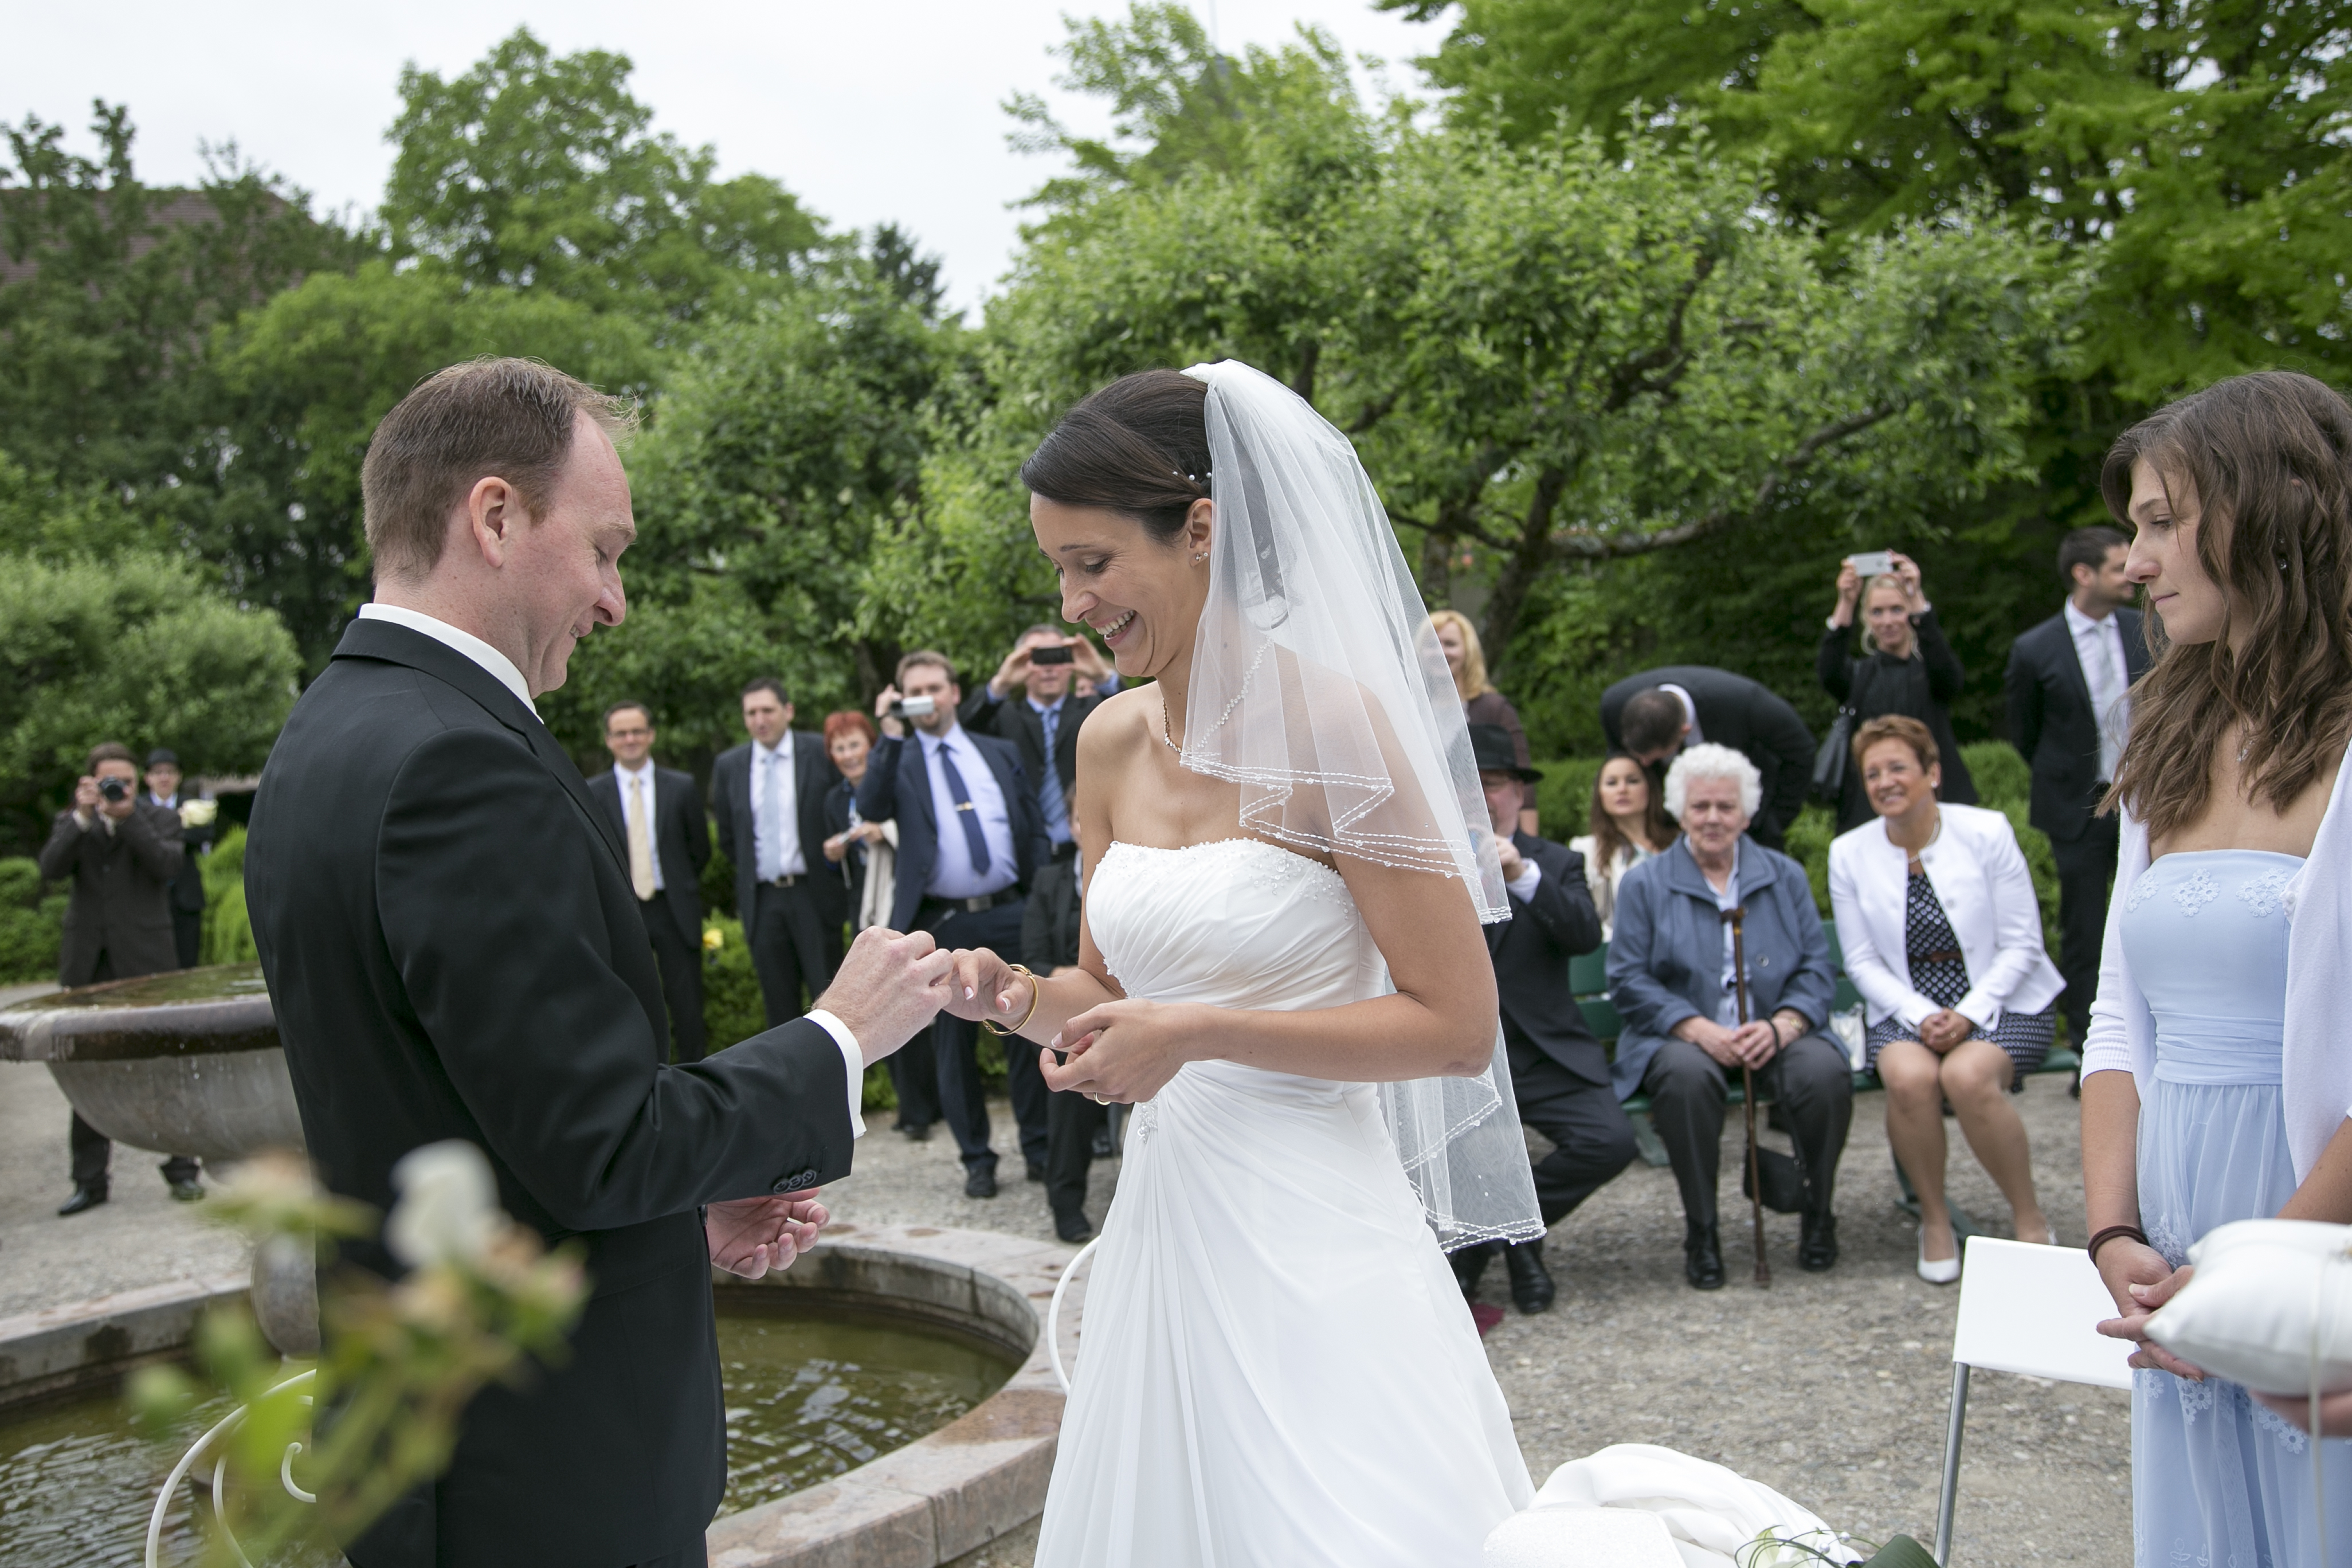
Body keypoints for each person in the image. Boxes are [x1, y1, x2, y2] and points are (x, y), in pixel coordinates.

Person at [242, 358, 954, 1568]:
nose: (616, 601)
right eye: (606, 550)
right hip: (539, 1483)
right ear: (495, 515)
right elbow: (605, 1142)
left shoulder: (327, 732)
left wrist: (677, 1222)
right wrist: (839, 1034)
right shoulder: (460, 766)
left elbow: (473, 1118)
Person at [938, 362, 1543, 1565]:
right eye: (1056, 569)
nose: (1071, 604)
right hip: (1169, 1226)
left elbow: (1453, 1025)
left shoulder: (1337, 730)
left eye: (1093, 563)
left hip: (1316, 1232)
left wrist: (1197, 1032)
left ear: (1202, 528)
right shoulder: (1107, 741)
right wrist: (1015, 998)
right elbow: (1108, 995)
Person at [2076, 371, 2352, 1567]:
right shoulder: (2163, 736)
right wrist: (2113, 1234)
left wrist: (2250, 1287)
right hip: (2172, 1231)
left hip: (2315, 1226)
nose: (2133, 561)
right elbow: (2115, 1018)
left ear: (2261, 511)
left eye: (2158, 521)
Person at [1828, 716, 2063, 1283]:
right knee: (1909, 1078)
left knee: (1966, 1076)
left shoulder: (1986, 831)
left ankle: (2029, 1218)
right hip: (1907, 1005)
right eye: (1873, 773)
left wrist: (1967, 1014)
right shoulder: (1848, 853)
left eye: (1898, 768)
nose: (1885, 781)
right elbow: (1861, 960)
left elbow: (2023, 944)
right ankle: (1934, 1219)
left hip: (2005, 998)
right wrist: (1921, 1015)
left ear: (1932, 773)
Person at [1606, 744, 1849, 1289]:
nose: (1713, 818)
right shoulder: (1646, 884)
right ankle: (1703, 1228)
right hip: (1684, 1037)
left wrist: (1784, 1024)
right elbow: (1627, 978)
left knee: (1823, 1073)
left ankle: (1818, 1209)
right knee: (1685, 1078)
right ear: (1680, 812)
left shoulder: (1784, 876)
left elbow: (1817, 966)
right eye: (1700, 807)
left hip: (1773, 1030)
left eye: (1725, 806)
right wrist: (1695, 1028)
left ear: (1746, 814)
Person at [1451, 724, 1638, 1315]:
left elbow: (1583, 935)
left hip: (1546, 1055)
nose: (1484, 794)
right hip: (1465, 1057)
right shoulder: (1429, 862)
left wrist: (1522, 876)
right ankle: (1512, 1248)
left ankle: (1500, 1240)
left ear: (1518, 793)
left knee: (1611, 1142)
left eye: (1495, 783)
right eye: (1470, 783)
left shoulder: (1555, 863)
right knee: (1453, 1149)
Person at [858, 650, 1054, 1199]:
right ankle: (977, 1159)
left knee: (1026, 1025)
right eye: (913, 691)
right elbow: (870, 804)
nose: (925, 698)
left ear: (954, 692)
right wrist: (888, 733)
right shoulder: (899, 759)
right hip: (943, 919)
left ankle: (1039, 1150)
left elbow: (1032, 824)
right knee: (953, 1046)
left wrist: (1038, 892)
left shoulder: (997, 750)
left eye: (934, 687)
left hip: (1012, 911)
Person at [38, 741, 204, 1213]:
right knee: (89, 1073)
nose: (118, 788)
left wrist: (129, 817)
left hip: (147, 957)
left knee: (165, 1065)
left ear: (138, 782)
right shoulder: (75, 820)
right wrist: (82, 818)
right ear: (89, 782)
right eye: (108, 781)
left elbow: (168, 866)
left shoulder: (159, 819)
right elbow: (50, 869)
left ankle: (182, 1169)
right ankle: (90, 1181)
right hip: (88, 961)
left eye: (126, 782)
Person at [2005, 524, 2150, 1057]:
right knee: (2085, 931)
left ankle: (2149, 1043)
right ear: (2083, 574)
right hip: (2076, 808)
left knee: (2150, 921)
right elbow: (2024, 733)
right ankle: (2091, 1054)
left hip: (2148, 801)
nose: (2132, 573)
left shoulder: (2147, 629)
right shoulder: (2034, 648)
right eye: (2118, 566)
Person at [820, 710, 934, 1139]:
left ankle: (924, 1108)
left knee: (912, 1000)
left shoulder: (896, 782)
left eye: (855, 745)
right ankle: (908, 1105)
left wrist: (883, 834)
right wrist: (835, 856)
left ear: (871, 747)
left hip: (900, 903)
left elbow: (920, 838)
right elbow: (836, 872)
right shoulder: (834, 800)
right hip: (865, 909)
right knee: (877, 1001)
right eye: (840, 748)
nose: (849, 755)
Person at [711, 679, 846, 1030]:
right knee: (779, 1007)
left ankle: (836, 1067)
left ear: (788, 711)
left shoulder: (820, 752)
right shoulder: (729, 766)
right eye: (751, 713)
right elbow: (729, 838)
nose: (760, 720)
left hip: (813, 893)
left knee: (830, 1003)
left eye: (768, 710)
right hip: (763, 900)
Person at [585, 700, 711, 1064]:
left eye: (637, 731)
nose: (630, 739)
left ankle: (694, 1076)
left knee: (688, 1006)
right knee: (634, 1005)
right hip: (624, 911)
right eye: (621, 733)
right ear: (609, 740)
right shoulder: (593, 792)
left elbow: (699, 850)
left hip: (674, 909)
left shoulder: (682, 787)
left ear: (651, 735)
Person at [1818, 552, 1977, 833]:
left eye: (1897, 610)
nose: (1888, 621)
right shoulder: (1860, 676)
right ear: (1867, 619)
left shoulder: (1930, 672)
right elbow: (1829, 672)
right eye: (1877, 612)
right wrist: (1846, 602)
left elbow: (1951, 680)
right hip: (1869, 808)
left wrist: (1916, 598)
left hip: (1935, 800)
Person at [1600, 667, 1814, 851]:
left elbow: (1801, 751)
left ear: (1684, 732)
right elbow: (1617, 766)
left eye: (1653, 757)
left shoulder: (1745, 703)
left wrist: (1773, 820)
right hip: (1661, 831)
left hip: (1748, 828)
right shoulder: (1614, 706)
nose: (1643, 764)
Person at [961, 624, 1118, 863]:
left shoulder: (1092, 708)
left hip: (1086, 848)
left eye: (1057, 657)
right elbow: (962, 734)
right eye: (1037, 658)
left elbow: (1134, 722)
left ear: (1070, 663)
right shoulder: (1005, 716)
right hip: (1024, 851)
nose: (1048, 668)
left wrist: (1101, 676)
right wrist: (1001, 684)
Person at [1023, 811, 1098, 1242]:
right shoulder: (1049, 881)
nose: (1088, 825)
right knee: (1069, 1075)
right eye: (1079, 818)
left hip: (1140, 1001)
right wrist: (1083, 984)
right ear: (1070, 827)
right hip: (1071, 1007)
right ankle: (1066, 1202)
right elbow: (1033, 958)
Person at [1432, 608, 1538, 836]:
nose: (1440, 651)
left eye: (1450, 644)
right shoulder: (1410, 710)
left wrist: (1529, 846)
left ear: (1468, 651)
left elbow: (1521, 780)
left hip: (1486, 828)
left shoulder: (1494, 708)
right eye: (1432, 644)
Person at [1568, 751, 1673, 939]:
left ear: (1650, 788)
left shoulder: (1678, 843)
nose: (1622, 789)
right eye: (1612, 783)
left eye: (1632, 781)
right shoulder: (1586, 849)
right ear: (1599, 794)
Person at [141, 747, 212, 969]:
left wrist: (159, 836)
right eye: (158, 772)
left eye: (170, 772)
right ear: (147, 778)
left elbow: (205, 834)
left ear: (179, 776)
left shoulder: (192, 804)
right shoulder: (138, 806)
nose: (164, 778)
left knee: (188, 960)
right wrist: (179, 829)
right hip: (149, 895)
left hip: (186, 896)